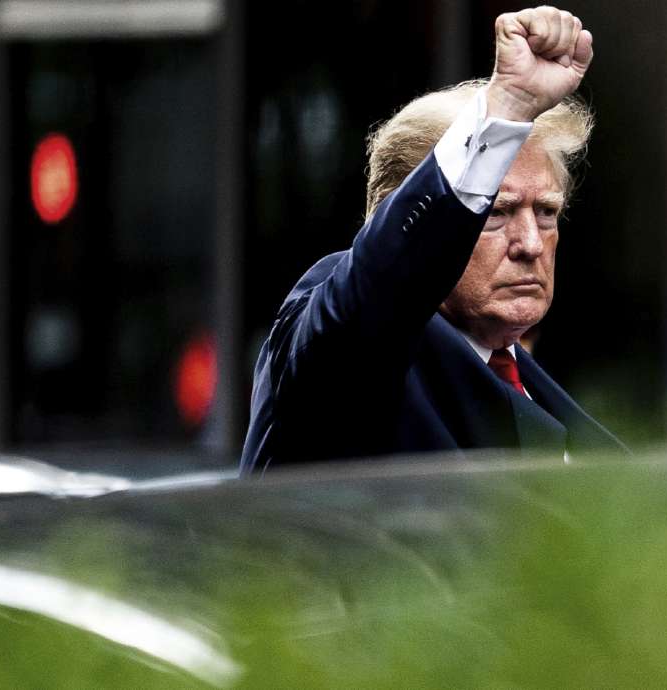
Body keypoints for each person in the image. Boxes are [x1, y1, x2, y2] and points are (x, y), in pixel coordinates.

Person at [240, 6, 626, 475]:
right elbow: (379, 288)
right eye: (496, 213)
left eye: (546, 212)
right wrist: (507, 108)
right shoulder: (356, 344)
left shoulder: (533, 385)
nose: (530, 243)